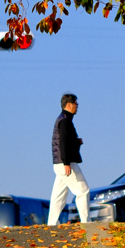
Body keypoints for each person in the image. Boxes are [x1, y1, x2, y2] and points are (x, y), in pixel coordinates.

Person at [48, 93, 90, 225]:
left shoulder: (62, 119)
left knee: (59, 195)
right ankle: (86, 222)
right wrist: (66, 163)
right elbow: (63, 143)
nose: (77, 106)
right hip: (66, 163)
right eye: (76, 103)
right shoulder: (65, 121)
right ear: (69, 105)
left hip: (59, 164)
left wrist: (76, 142)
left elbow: (64, 141)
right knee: (83, 191)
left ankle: (52, 223)